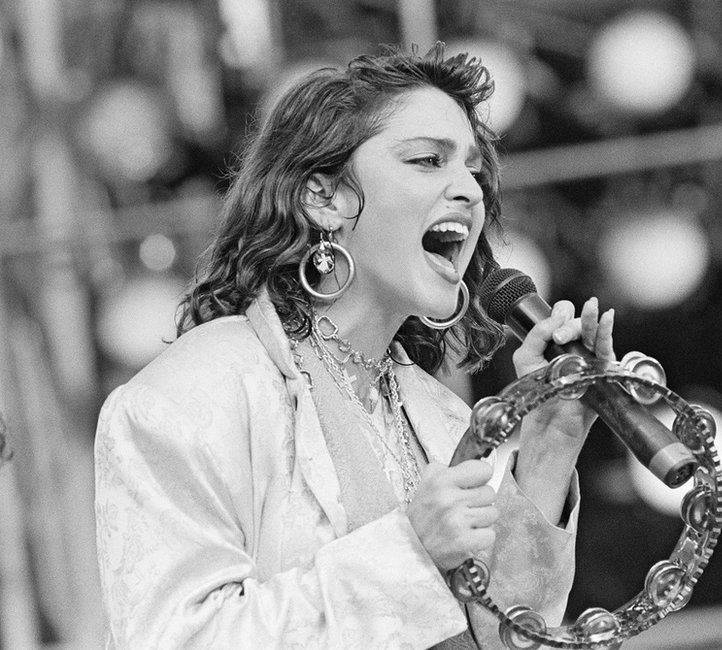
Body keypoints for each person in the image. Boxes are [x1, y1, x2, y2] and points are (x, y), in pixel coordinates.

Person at [94, 43, 616, 649]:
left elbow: (506, 638)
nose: (470, 192)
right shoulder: (191, 397)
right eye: (427, 160)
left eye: (473, 171)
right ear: (324, 198)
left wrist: (550, 447)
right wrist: (407, 553)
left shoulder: (447, 420)